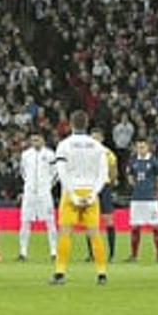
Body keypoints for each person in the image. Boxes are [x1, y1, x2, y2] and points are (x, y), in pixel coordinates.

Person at [53, 112, 110, 287]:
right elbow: (103, 174)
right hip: (91, 191)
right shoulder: (98, 146)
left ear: (70, 124)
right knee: (94, 233)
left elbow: (61, 173)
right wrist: (93, 194)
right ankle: (101, 273)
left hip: (71, 191)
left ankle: (60, 272)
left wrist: (72, 194)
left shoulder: (64, 145)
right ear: (87, 124)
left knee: (65, 232)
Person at [17, 132, 59, 263]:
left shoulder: (50, 154)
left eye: (37, 140)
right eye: (33, 140)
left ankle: (54, 251)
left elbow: (55, 173)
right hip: (29, 192)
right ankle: (23, 251)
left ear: (43, 140)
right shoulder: (25, 155)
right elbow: (22, 171)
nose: (35, 142)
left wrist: (47, 185)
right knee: (25, 221)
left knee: (50, 221)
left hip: (44, 192)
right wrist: (29, 184)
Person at [126, 138, 158, 263]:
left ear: (148, 147)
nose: (140, 149)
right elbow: (130, 176)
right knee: (135, 228)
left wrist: (156, 190)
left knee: (156, 228)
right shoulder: (133, 161)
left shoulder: (154, 161)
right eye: (138, 146)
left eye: (143, 146)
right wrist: (135, 185)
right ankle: (134, 255)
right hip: (137, 199)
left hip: (150, 199)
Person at [91, 126, 119, 263]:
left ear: (102, 139)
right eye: (93, 137)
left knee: (108, 219)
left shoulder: (107, 153)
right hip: (90, 188)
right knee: (90, 220)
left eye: (97, 137)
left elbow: (113, 171)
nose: (95, 140)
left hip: (104, 187)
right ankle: (91, 254)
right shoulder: (86, 153)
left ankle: (112, 254)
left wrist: (110, 183)